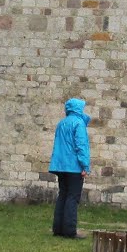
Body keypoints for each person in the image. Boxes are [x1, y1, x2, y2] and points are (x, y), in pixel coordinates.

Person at [48, 97, 91, 239]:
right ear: (78, 109)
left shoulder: (61, 123)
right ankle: (69, 231)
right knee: (73, 197)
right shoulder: (79, 124)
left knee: (63, 195)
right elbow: (81, 146)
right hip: (74, 167)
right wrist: (85, 166)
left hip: (61, 166)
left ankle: (58, 228)